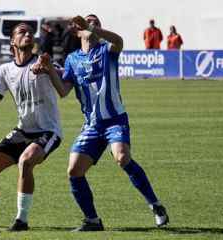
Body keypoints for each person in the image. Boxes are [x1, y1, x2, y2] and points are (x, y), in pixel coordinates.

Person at [37, 14, 169, 231]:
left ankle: (155, 205)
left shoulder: (107, 50)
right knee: (74, 171)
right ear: (76, 31)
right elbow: (63, 91)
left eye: (96, 22)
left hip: (114, 119)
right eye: (89, 22)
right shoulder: (72, 59)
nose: (93, 25)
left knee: (122, 157)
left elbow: (119, 41)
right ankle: (92, 221)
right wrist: (50, 68)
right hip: (92, 125)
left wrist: (90, 27)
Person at [0, 22, 62, 231]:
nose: (28, 34)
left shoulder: (43, 63)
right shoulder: (5, 70)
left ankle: (21, 220)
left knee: (26, 162)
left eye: (30, 32)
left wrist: (49, 68)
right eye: (22, 32)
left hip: (47, 131)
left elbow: (66, 84)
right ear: (12, 42)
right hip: (22, 131)